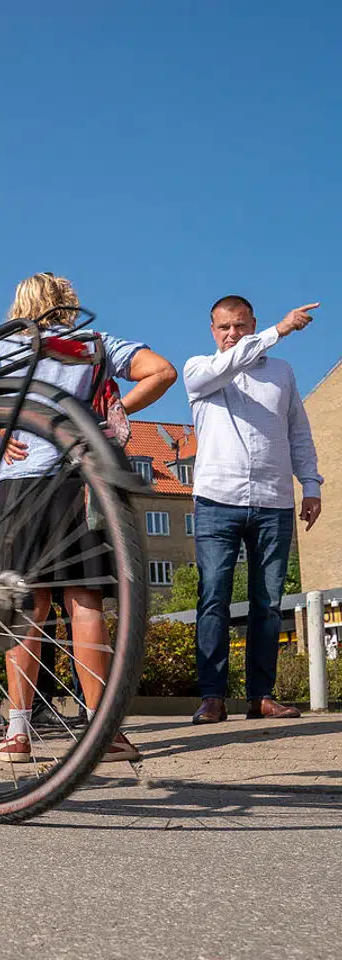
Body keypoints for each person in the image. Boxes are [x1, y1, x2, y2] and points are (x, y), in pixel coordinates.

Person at [0, 273, 178, 763]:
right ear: (69, 303)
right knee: (85, 603)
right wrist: (107, 419)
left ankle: (17, 733)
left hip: (18, 487)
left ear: (23, 306)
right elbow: (163, 372)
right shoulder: (95, 344)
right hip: (82, 479)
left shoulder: (8, 347)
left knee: (28, 607)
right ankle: (104, 730)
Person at [186, 297, 323, 724]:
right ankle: (212, 696)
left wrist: (312, 484)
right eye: (224, 327)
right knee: (214, 598)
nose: (232, 334)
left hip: (273, 502)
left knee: (268, 603)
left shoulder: (281, 373)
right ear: (212, 330)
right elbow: (224, 365)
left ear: (252, 324)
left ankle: (261, 695)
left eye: (241, 326)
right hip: (216, 500)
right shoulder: (200, 370)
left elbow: (298, 429)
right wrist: (279, 330)